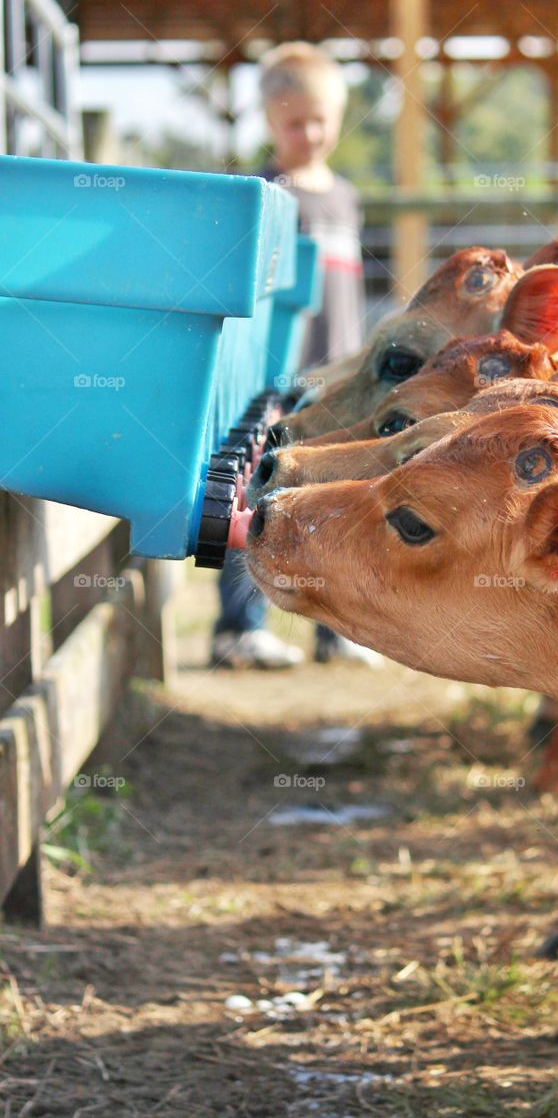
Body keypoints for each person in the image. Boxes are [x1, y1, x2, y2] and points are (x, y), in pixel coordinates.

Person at [211, 41, 377, 669]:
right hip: (276, 374)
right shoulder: (263, 194)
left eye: (319, 121)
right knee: (252, 488)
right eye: (294, 123)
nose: (308, 134)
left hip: (337, 376)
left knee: (336, 495)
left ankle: (336, 627)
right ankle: (238, 626)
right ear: (269, 120)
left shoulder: (344, 197)